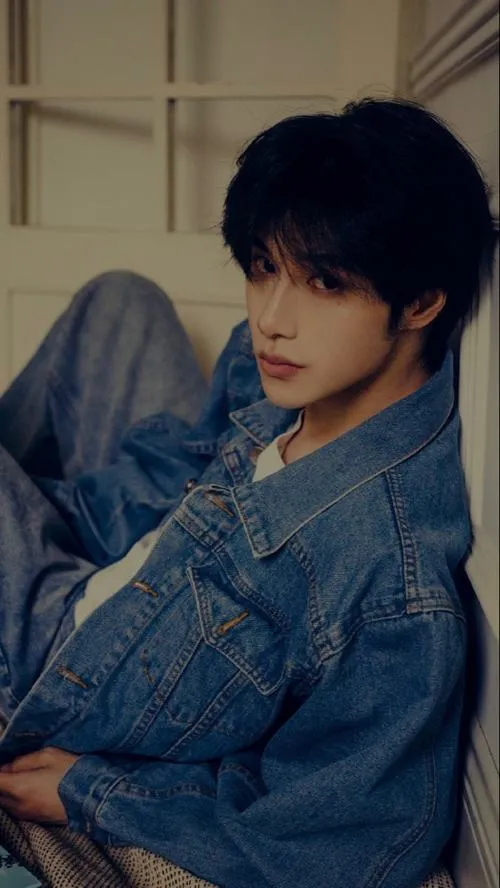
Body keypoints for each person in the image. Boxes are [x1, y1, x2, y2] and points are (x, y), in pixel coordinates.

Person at [0, 98, 496, 888]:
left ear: (422, 302)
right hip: (151, 527)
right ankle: (39, 502)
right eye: (263, 267)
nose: (271, 320)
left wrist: (93, 793)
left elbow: (343, 847)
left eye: (324, 282)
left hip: (64, 651)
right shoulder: (341, 377)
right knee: (121, 297)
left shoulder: (386, 585)